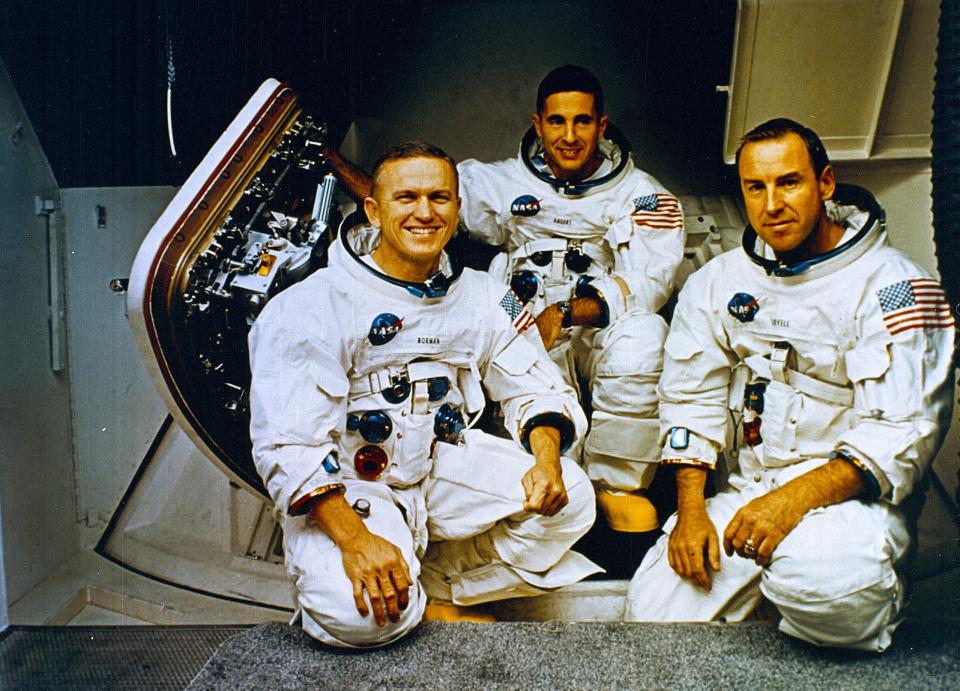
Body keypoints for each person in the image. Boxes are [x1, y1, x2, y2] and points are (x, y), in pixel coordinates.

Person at [248, 142, 599, 648]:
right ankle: (397, 586)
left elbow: (535, 383)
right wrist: (356, 541)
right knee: (362, 618)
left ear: (457, 209)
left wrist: (545, 458)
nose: (424, 212)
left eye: (440, 198)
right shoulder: (309, 306)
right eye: (406, 197)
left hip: (437, 465)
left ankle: (437, 590)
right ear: (373, 208)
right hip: (351, 486)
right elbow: (289, 446)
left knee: (571, 498)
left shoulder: (481, 294)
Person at [623, 118, 955, 652]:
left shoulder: (897, 288)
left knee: (827, 589)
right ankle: (770, 588)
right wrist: (691, 512)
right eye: (756, 187)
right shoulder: (721, 281)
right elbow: (690, 398)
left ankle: (872, 591)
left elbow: (903, 430)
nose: (772, 204)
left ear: (825, 183)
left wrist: (789, 505)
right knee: (653, 618)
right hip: (752, 490)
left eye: (789, 182)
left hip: (850, 498)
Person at [322, 65, 686, 533]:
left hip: (597, 321)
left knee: (645, 338)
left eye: (582, 122)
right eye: (557, 122)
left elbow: (647, 282)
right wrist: (328, 158)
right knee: (516, 365)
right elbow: (401, 200)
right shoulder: (499, 181)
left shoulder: (647, 198)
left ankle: (615, 488)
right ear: (538, 123)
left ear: (602, 124)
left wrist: (564, 313)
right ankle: (561, 484)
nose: (569, 136)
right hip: (519, 307)